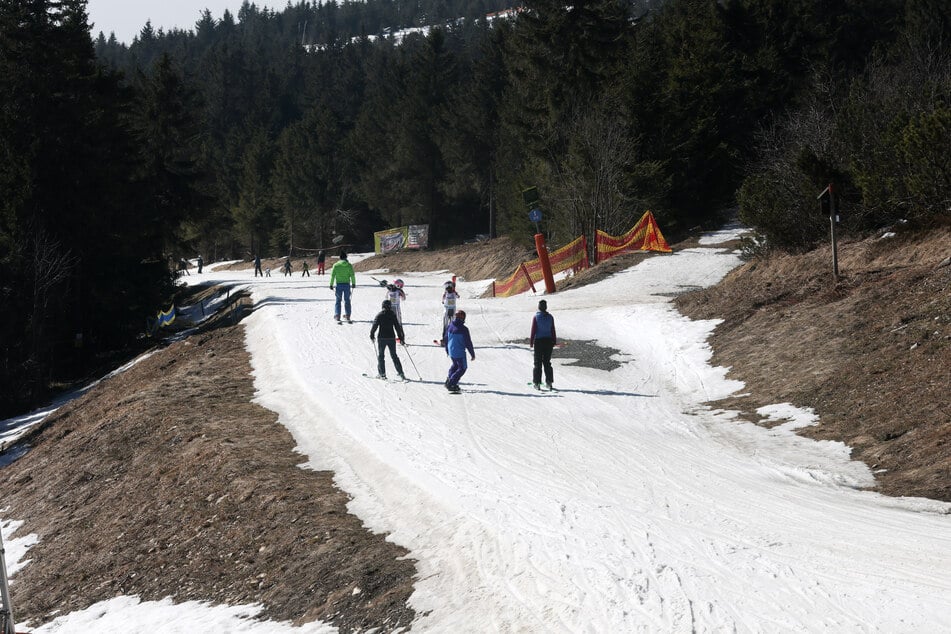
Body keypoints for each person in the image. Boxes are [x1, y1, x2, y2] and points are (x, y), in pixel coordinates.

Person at [370, 300, 406, 379]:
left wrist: (372, 335)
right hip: (391, 338)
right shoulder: (392, 315)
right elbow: (397, 327)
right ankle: (401, 373)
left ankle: (382, 374)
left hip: (382, 338)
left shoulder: (379, 315)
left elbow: (374, 326)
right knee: (394, 355)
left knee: (381, 356)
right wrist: (401, 338)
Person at [444, 309, 475, 393]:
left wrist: (447, 349)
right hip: (459, 353)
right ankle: (452, 383)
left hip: (451, 351)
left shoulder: (450, 325)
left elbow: (446, 338)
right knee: (462, 368)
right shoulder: (464, 329)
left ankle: (449, 378)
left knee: (455, 365)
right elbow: (468, 343)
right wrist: (472, 354)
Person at [530, 299, 557, 390]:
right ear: (546, 307)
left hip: (538, 341)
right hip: (549, 341)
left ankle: (537, 383)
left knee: (537, 363)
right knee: (547, 362)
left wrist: (531, 342)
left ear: (539, 307)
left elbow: (533, 330)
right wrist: (554, 340)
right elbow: (552, 329)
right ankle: (549, 382)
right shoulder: (550, 317)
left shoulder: (536, 317)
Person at [329, 251, 356, 322]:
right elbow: (352, 275)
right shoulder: (349, 265)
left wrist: (331, 284)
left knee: (338, 301)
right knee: (347, 300)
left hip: (339, 285)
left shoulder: (336, 265)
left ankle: (337, 315)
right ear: (346, 257)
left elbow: (332, 276)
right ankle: (348, 315)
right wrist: (353, 283)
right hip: (347, 285)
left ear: (340, 258)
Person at [439, 281, 459, 345]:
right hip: (448, 311)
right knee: (447, 325)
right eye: (447, 288)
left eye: (448, 288)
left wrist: (455, 292)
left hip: (450, 311)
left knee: (450, 325)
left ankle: (451, 339)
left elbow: (458, 296)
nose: (448, 289)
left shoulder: (452, 293)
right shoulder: (448, 294)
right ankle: (446, 339)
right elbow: (443, 300)